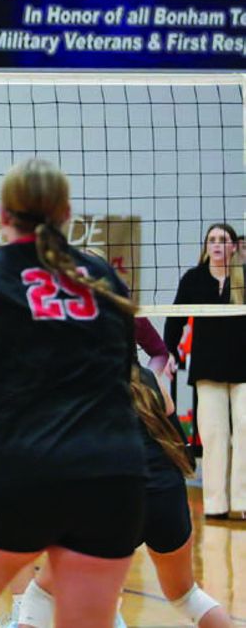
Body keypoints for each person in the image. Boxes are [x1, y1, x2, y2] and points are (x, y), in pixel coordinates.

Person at [0, 157, 145, 628]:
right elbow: (125, 378)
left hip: (19, 471)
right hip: (111, 474)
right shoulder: (109, 283)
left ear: (3, 214)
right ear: (67, 212)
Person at [13, 365, 232, 628]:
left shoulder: (74, 379)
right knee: (187, 597)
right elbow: (181, 453)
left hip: (113, 500)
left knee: (40, 597)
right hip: (165, 495)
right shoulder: (150, 380)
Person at [164, 223, 245, 520]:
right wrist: (167, 352)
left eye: (223, 240)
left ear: (234, 247)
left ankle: (243, 501)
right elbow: (175, 318)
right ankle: (215, 504)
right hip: (208, 368)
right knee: (213, 436)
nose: (216, 245)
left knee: (245, 430)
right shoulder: (194, 279)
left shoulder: (243, 278)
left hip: (243, 368)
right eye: (212, 240)